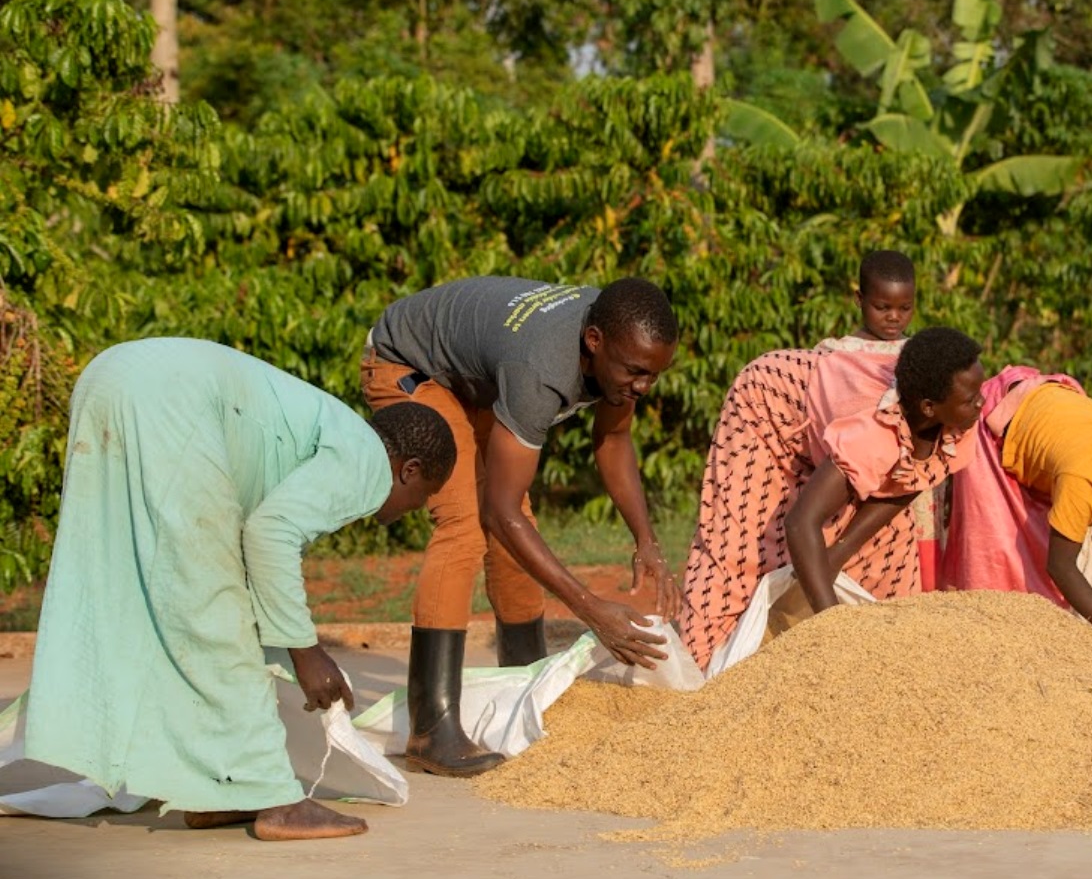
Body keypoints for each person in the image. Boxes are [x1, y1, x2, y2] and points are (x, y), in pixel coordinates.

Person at [24, 338, 455, 841]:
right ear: (409, 471)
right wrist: (306, 652)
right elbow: (270, 534)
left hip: (111, 376)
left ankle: (214, 788)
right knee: (218, 615)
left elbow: (256, 543)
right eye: (421, 498)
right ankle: (275, 799)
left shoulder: (332, 428)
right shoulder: (366, 462)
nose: (408, 510)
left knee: (152, 597)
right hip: (170, 396)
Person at [361, 275, 681, 776]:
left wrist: (647, 542)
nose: (643, 386)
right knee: (467, 526)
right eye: (637, 372)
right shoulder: (541, 369)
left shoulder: (617, 345)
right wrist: (591, 608)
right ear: (593, 341)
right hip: (409, 365)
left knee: (516, 533)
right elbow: (499, 513)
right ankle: (431, 726)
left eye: (655, 375)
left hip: (472, 379)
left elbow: (613, 442)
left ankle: (526, 682)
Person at [681, 326, 986, 672]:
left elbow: (914, 478)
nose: (982, 403)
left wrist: (838, 554)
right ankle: (706, 659)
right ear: (929, 408)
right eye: (970, 399)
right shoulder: (874, 434)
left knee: (885, 557)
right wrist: (833, 627)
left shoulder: (959, 419)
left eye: (980, 392)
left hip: (842, 423)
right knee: (746, 549)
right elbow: (800, 523)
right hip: (769, 409)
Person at [941, 365, 1092, 651]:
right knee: (998, 563)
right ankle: (983, 644)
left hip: (1051, 415)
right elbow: (1060, 565)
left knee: (1043, 556)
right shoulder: (1083, 475)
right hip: (998, 426)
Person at [816, 250, 941, 591]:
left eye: (904, 308)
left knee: (914, 586)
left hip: (910, 490)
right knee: (855, 576)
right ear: (859, 299)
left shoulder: (919, 356)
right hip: (853, 486)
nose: (894, 318)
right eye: (883, 308)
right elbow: (829, 411)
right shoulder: (837, 356)